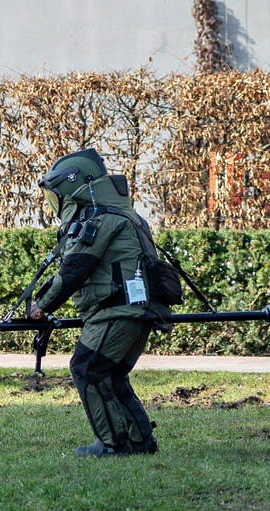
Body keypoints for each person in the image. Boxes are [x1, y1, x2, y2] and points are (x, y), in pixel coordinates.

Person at [28, 148, 165, 457]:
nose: (55, 205)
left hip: (117, 310)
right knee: (111, 374)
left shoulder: (100, 217)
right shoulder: (125, 215)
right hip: (137, 309)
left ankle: (113, 445)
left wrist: (42, 305)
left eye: (56, 197)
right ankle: (142, 442)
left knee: (87, 369)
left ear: (71, 191)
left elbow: (75, 268)